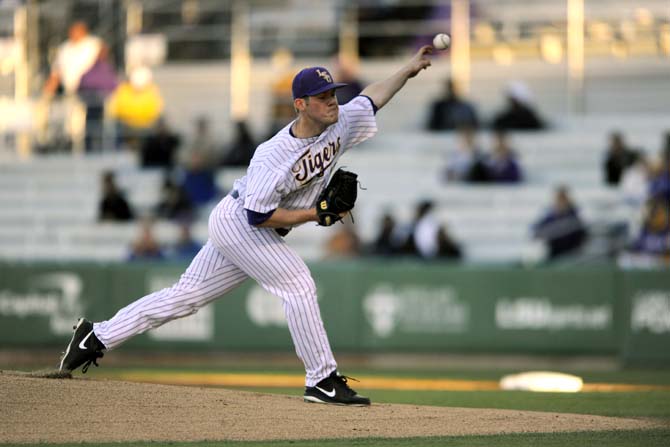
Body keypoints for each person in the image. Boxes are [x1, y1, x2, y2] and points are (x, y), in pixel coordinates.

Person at [58, 46, 435, 406]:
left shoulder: (341, 123)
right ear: (300, 105)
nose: (332, 101)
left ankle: (96, 335)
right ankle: (321, 380)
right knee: (298, 283)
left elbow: (372, 97)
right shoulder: (273, 155)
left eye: (333, 93)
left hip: (251, 226)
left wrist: (406, 69)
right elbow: (258, 217)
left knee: (184, 297)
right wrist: (313, 214)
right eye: (322, 97)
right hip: (242, 222)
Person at [107, 66, 164, 149]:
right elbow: (115, 108)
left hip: (147, 125)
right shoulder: (123, 90)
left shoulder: (152, 91)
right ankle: (117, 151)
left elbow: (157, 109)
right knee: (116, 130)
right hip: (126, 125)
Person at [532, 186, 587, 260]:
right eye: (559, 199)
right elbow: (536, 230)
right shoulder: (550, 216)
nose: (561, 202)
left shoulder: (574, 216)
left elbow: (580, 234)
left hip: (571, 251)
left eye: (563, 199)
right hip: (554, 252)